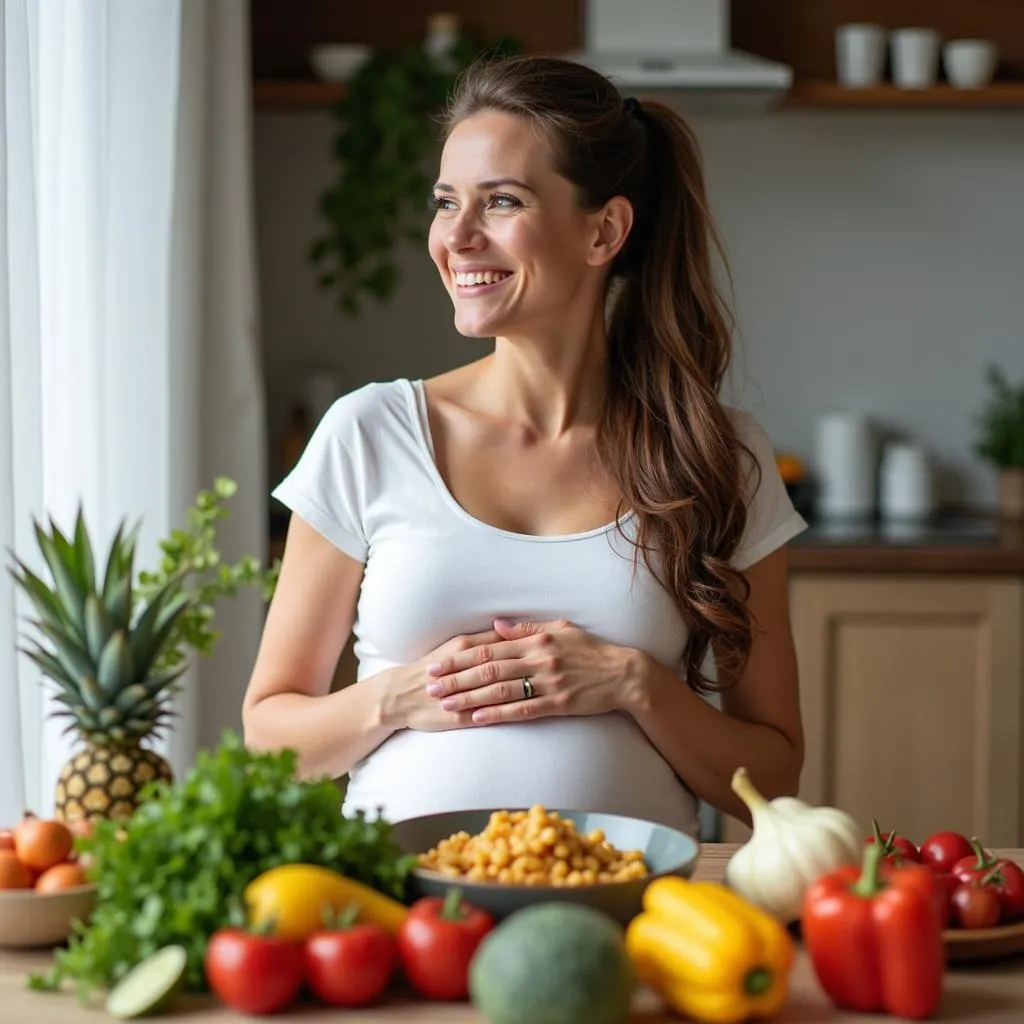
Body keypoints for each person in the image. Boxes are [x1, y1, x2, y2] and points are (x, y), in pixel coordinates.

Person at [242, 54, 807, 838]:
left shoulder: (716, 455)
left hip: (631, 911)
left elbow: (773, 778)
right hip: (406, 915)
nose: (458, 238)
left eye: (500, 201)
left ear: (604, 230)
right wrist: (402, 699)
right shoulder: (369, 433)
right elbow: (270, 736)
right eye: (446, 203)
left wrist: (633, 683)